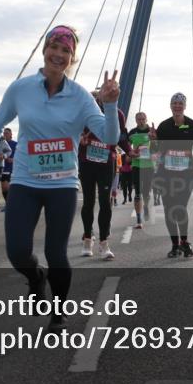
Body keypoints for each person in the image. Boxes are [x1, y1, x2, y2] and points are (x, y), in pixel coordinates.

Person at [0, 25, 120, 332]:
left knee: (56, 253)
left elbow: (109, 137)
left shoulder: (80, 96)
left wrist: (110, 105)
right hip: (25, 181)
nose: (58, 54)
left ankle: (58, 312)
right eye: (54, 47)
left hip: (62, 184)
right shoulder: (21, 89)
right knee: (17, 251)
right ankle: (35, 276)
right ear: (44, 50)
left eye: (66, 50)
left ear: (72, 58)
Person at [153, 94, 193, 258]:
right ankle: (175, 245)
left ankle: (184, 241)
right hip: (166, 175)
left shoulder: (192, 125)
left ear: (184, 106)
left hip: (186, 175)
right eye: (174, 103)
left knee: (180, 208)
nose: (177, 106)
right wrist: (152, 141)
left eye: (180, 103)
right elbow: (155, 151)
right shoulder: (163, 126)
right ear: (170, 105)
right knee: (169, 209)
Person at [78, 90, 129, 260]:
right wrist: (79, 139)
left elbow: (122, 137)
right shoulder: (84, 112)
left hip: (106, 162)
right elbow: (72, 132)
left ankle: (104, 243)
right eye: (93, 97)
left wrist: (129, 151)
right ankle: (87, 239)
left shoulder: (117, 114)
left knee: (105, 202)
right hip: (86, 161)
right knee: (88, 201)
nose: (97, 98)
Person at [127, 112, 157, 228]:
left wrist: (155, 153)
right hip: (137, 165)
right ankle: (139, 220)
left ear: (146, 119)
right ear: (136, 120)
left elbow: (160, 147)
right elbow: (127, 147)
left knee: (146, 192)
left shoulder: (152, 131)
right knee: (138, 193)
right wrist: (130, 154)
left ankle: (146, 206)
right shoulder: (132, 133)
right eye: (139, 119)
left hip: (149, 166)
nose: (141, 121)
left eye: (143, 119)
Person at [0, 127, 17, 207]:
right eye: (4, 133)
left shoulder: (16, 144)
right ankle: (8, 204)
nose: (5, 135)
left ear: (11, 134)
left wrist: (13, 159)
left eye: (7, 133)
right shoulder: (1, 144)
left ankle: (10, 204)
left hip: (13, 168)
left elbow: (21, 156)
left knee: (7, 186)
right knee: (4, 187)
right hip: (3, 168)